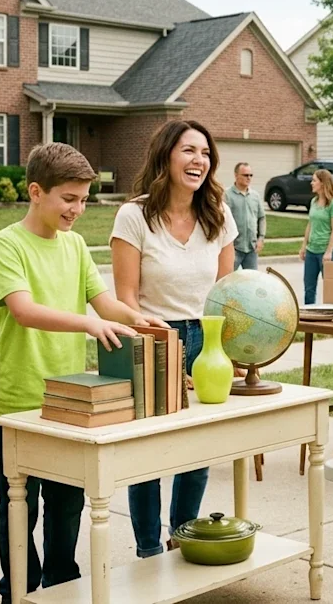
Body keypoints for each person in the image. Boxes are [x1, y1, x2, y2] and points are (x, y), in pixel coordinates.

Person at [0, 142, 164, 602]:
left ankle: (61, 587)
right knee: (16, 508)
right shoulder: (7, 244)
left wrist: (135, 317)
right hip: (19, 399)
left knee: (66, 506)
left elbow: (103, 302)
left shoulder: (76, 245)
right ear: (36, 192)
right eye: (69, 198)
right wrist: (89, 323)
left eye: (84, 199)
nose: (78, 209)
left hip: (71, 402)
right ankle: (20, 589)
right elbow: (23, 311)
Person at [110, 120, 237, 558]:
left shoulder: (218, 215)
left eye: (205, 153)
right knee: (148, 455)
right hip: (151, 338)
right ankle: (148, 549)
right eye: (188, 150)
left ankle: (184, 539)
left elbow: (227, 293)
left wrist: (229, 349)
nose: (198, 160)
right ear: (165, 155)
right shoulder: (134, 215)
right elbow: (125, 296)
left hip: (206, 338)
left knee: (195, 453)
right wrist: (154, 337)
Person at [300, 169, 333, 304]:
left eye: (314, 180)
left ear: (323, 183)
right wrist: (304, 246)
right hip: (312, 250)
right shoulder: (314, 201)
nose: (311, 183)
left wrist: (329, 252)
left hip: (327, 251)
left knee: (331, 288)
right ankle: (309, 317)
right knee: (309, 288)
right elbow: (310, 224)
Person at [226, 161, 267, 270]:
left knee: (251, 282)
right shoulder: (227, 196)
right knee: (228, 281)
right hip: (233, 249)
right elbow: (222, 222)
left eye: (250, 175)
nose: (248, 178)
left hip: (251, 249)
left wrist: (261, 238)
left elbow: (261, 218)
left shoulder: (255, 196)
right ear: (236, 175)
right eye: (245, 175)